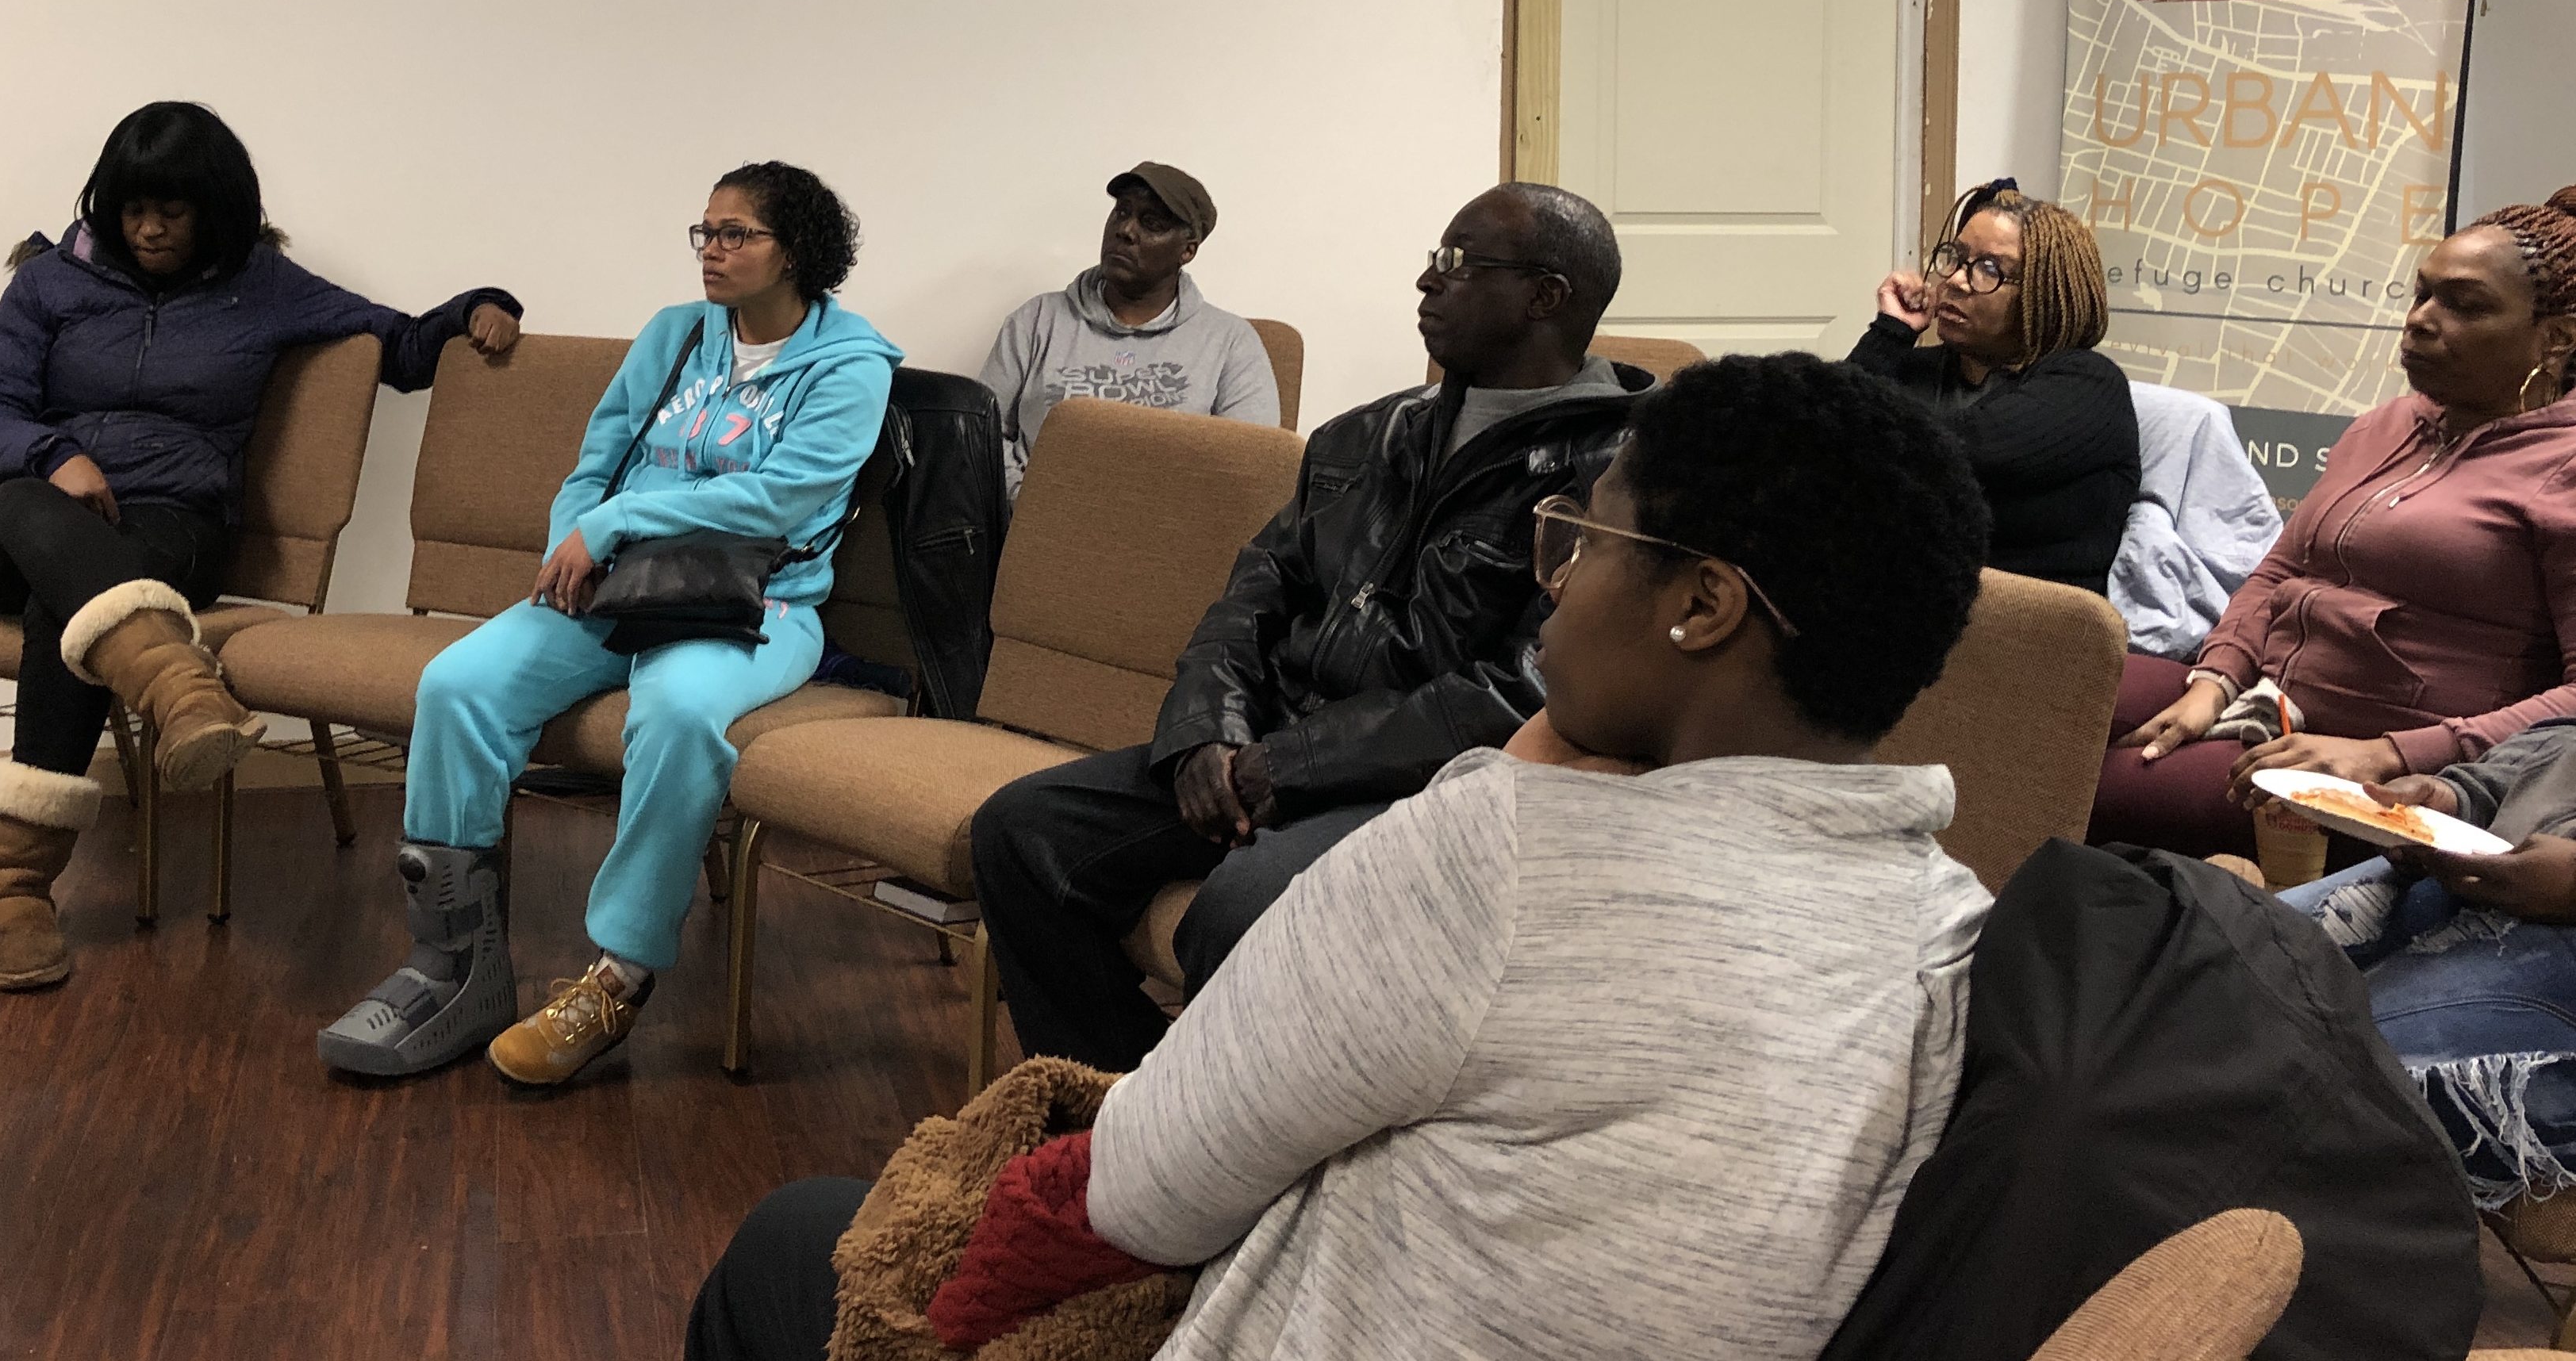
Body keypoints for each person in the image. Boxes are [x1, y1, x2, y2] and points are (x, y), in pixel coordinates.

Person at [685, 352, 1995, 1361]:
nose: (1558, 578)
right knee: (1042, 831)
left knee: (792, 1239)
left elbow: (1136, 1195)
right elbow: (1248, 599)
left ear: (1702, 604)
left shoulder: (1498, 855)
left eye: (1588, 539)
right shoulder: (1953, 918)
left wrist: (1509, 778)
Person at [969, 182, 1649, 1072]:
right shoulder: (1366, 432)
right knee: (1022, 829)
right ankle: (1120, 1101)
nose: (1422, 280)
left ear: (1544, 296)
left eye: (1453, 262)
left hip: (1429, 786)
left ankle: (1226, 1144)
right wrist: (1207, 728)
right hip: (1269, 744)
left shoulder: (1622, 470)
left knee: (1240, 903)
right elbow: (1249, 595)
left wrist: (1290, 764)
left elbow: (1520, 687)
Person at [318, 162, 897, 1086]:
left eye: (736, 233)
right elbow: (595, 463)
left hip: (757, 604)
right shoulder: (675, 335)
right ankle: (454, 965)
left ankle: (615, 978)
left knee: (672, 714)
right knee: (457, 684)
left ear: (800, 252)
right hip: (620, 589)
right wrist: (569, 545)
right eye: (703, 231)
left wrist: (619, 522)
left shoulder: (851, 366)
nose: (711, 249)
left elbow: (782, 500)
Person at [0, 102, 521, 992]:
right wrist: (57, 456)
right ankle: (177, 687)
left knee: (70, 603)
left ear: (219, 206)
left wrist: (479, 304)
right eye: (132, 207)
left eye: (172, 208)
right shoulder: (51, 283)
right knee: (40, 531)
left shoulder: (264, 285)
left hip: (168, 523)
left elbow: (398, 346)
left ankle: (15, 890)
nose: (148, 227)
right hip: (12, 517)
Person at [2104, 189, 2576, 857]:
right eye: (2422, 294)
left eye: (2463, 305)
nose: (2418, 320)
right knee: (2041, 691)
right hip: (2268, 701)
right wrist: (2213, 683)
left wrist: (2389, 753)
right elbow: (2280, 569)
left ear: (2554, 339)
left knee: (2070, 783)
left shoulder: (2564, 464)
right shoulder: (2384, 425)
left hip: (2401, 770)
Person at [2282, 716, 2576, 1210]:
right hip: (2487, 875)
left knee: (2324, 1073)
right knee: (2218, 962)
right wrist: (2452, 800)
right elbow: (2560, 751)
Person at [1846, 177, 2136, 592]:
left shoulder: (2087, 385)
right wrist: (1890, 333)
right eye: (1956, 258)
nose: (1957, 281)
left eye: (1989, 270)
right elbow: (1820, 431)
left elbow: (1949, 455)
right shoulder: (1919, 368)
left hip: (2029, 631)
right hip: (1912, 611)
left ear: (2044, 293)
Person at [976, 163, 1278, 499]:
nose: (1126, 230)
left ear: (1187, 250)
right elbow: (978, 435)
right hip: (1037, 526)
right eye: (1122, 212)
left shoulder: (1231, 343)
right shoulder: (1037, 320)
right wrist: (1027, 501)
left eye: (1151, 224)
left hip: (1169, 538)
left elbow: (1250, 469)